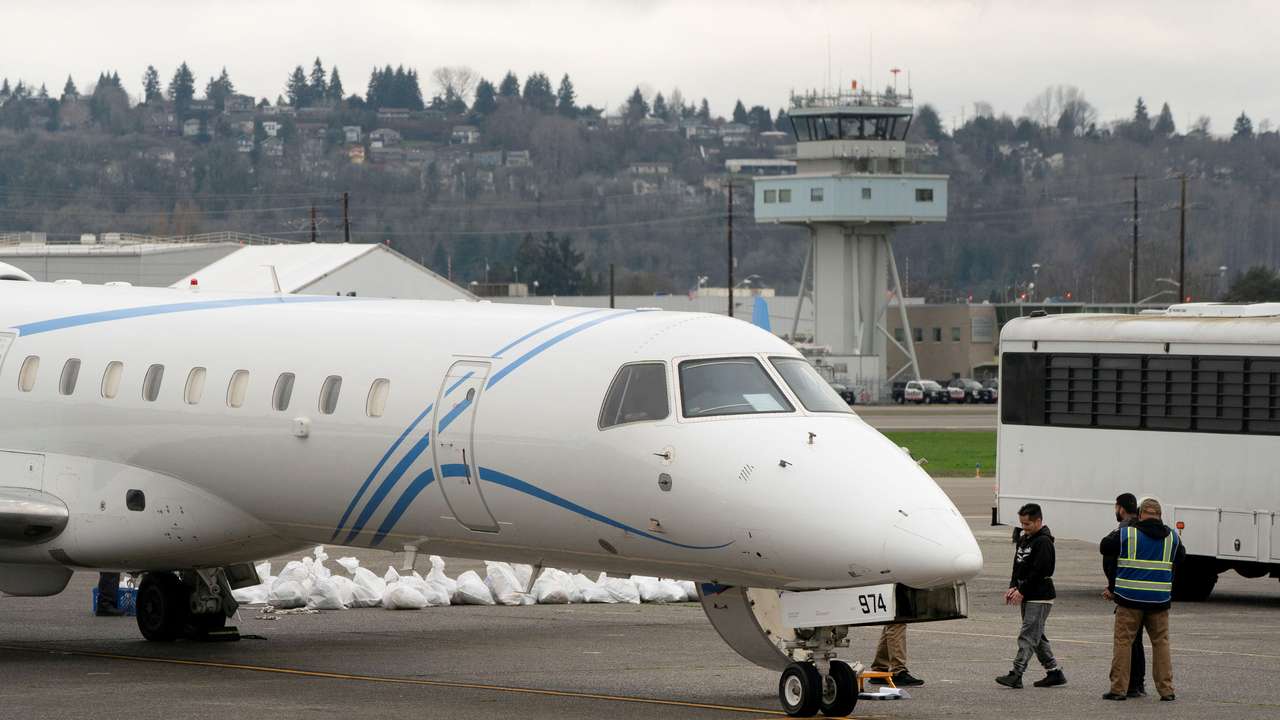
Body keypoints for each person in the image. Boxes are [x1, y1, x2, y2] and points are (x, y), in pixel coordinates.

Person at [1100, 497, 1185, 702]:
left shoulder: (1127, 533)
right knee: (1161, 643)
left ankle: (1118, 689)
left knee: (1123, 643)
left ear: (1139, 515)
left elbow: (1105, 547)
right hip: (1159, 601)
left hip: (1129, 599)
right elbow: (1180, 557)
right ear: (1160, 516)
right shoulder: (1172, 537)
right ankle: (1167, 690)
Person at [996, 503, 1066, 689]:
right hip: (1027, 594)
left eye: (1027, 524)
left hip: (1040, 596)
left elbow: (1042, 570)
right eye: (1021, 524)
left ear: (1038, 521)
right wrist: (1013, 586)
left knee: (1027, 635)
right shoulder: (1024, 539)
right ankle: (1054, 673)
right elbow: (1017, 566)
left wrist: (1023, 590)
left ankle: (1016, 674)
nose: (1024, 528)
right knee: (1037, 636)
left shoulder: (1044, 542)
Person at [1100, 493, 1148, 697]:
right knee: (1139, 641)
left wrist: (1112, 587)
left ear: (1120, 508)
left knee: (1127, 641)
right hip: (1153, 594)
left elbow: (1109, 556)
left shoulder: (1123, 531)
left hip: (1128, 594)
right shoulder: (1146, 530)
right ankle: (1139, 683)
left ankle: (1126, 684)